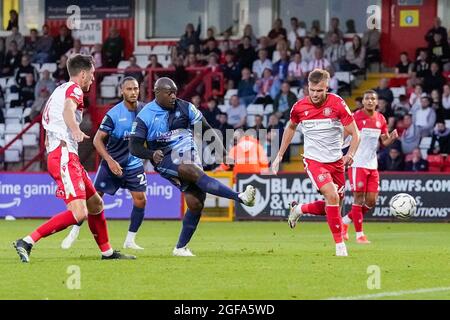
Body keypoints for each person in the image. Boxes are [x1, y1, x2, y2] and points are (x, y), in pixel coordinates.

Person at [13, 54, 135, 263]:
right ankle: (27, 241)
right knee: (79, 213)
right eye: (93, 75)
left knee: (96, 204)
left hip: (63, 155)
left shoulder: (59, 90)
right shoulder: (74, 89)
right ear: (83, 74)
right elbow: (69, 110)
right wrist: (75, 129)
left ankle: (107, 252)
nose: (93, 80)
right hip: (63, 156)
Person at [129, 77, 256, 256]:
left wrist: (222, 153)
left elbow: (206, 129)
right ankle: (240, 197)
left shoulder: (186, 107)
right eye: (169, 93)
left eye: (175, 92)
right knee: (191, 170)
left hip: (189, 153)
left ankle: (180, 248)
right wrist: (150, 154)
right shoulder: (145, 115)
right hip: (164, 157)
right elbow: (133, 146)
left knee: (196, 202)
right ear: (157, 93)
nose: (174, 96)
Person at [271, 69, 360, 257]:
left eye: (319, 90)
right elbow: (291, 128)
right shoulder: (299, 107)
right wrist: (279, 156)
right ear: (307, 87)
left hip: (336, 162)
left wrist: (350, 154)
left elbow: (355, 133)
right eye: (312, 90)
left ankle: (299, 209)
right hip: (314, 161)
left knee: (334, 204)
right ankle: (340, 246)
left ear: (327, 88)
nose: (315, 94)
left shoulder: (338, 104)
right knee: (333, 197)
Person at [61, 77, 147, 250]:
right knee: (93, 200)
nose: (133, 92)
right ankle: (74, 231)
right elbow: (97, 141)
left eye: (136, 89)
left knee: (141, 200)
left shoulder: (145, 111)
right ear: (122, 91)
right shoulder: (114, 114)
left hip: (133, 163)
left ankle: (130, 240)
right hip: (111, 163)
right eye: (129, 89)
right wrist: (110, 161)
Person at [341, 90, 398, 244]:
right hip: (357, 163)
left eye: (373, 99)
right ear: (363, 101)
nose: (370, 101)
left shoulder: (381, 119)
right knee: (358, 199)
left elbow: (384, 141)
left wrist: (391, 138)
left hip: (372, 165)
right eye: (367, 99)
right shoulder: (355, 117)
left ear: (377, 102)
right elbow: (344, 135)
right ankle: (360, 235)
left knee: (371, 201)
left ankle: (345, 221)